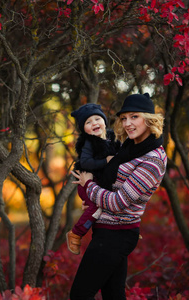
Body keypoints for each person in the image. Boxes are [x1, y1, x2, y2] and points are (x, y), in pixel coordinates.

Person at [69, 93, 167, 300]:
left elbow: (117, 202)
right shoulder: (129, 146)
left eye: (134, 117)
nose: (128, 123)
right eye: (124, 118)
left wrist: (89, 185)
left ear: (149, 119)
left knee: (80, 294)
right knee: (113, 295)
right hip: (108, 229)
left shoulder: (153, 159)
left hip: (117, 233)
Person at [67, 103, 120, 255]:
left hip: (101, 183)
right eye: (88, 122)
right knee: (96, 208)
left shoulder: (112, 138)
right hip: (86, 182)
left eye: (97, 119)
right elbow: (85, 162)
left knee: (112, 201)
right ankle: (76, 234)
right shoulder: (89, 143)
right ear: (84, 129)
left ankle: (124, 227)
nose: (94, 123)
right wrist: (106, 161)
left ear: (104, 121)